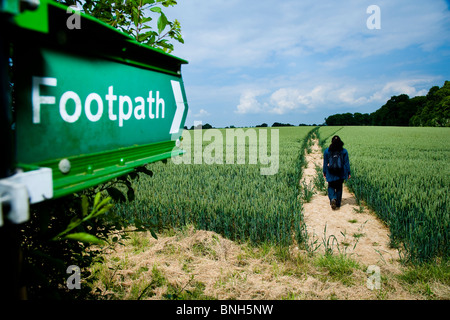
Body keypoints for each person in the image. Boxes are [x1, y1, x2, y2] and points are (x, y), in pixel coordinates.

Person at [322, 135, 351, 210]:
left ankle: (332, 198)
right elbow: (346, 163)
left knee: (331, 186)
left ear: (332, 142)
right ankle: (337, 203)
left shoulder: (327, 151)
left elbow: (325, 163)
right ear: (340, 142)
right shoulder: (344, 151)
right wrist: (348, 173)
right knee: (339, 187)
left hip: (330, 172)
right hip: (341, 172)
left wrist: (324, 171)